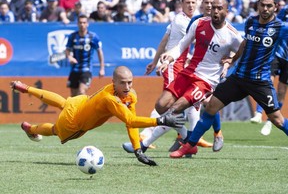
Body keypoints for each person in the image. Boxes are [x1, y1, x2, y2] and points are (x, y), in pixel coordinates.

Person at [172, 0, 288, 158]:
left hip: (260, 82)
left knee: (277, 119)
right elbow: (244, 44)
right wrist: (232, 60)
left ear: (275, 7)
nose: (265, 8)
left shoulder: (281, 28)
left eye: (269, 6)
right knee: (211, 106)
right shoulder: (251, 22)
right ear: (258, 5)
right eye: (262, 5)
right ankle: (190, 145)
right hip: (239, 77)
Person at [10, 66, 185, 166]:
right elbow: (130, 120)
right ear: (113, 82)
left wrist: (138, 150)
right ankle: (31, 129)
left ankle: (26, 88)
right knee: (56, 130)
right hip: (74, 123)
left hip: (79, 102)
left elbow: (130, 124)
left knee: (63, 102)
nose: (127, 86)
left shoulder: (129, 94)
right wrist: (160, 120)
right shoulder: (111, 99)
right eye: (122, 83)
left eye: (130, 82)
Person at [157, 0, 243, 158]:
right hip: (188, 72)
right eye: (213, 7)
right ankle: (187, 137)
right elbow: (182, 44)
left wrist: (230, 61)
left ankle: (189, 140)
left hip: (206, 81)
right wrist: (169, 56)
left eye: (219, 8)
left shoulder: (233, 35)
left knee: (175, 109)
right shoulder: (199, 23)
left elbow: (243, 52)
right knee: (160, 106)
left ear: (227, 11)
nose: (215, 11)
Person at [122, 0, 201, 153]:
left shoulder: (186, 19)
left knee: (184, 106)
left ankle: (186, 141)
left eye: (193, 2)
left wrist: (154, 61)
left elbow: (165, 39)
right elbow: (196, 40)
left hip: (182, 66)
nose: (191, 5)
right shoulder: (182, 21)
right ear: (182, 4)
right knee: (168, 108)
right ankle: (188, 140)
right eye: (188, 3)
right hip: (174, 66)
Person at [251, 3, 288, 135]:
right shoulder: (285, 10)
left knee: (282, 91)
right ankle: (258, 113)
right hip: (277, 53)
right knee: (267, 81)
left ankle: (270, 121)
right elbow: (276, 23)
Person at [65, 14, 105, 97]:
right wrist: (69, 57)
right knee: (73, 95)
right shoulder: (72, 36)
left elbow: (99, 52)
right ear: (77, 24)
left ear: (87, 24)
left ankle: (83, 110)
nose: (82, 25)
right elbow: (67, 49)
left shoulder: (93, 37)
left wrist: (102, 68)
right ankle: (75, 110)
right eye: (80, 23)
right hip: (74, 69)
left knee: (81, 91)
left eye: (84, 22)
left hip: (86, 69)